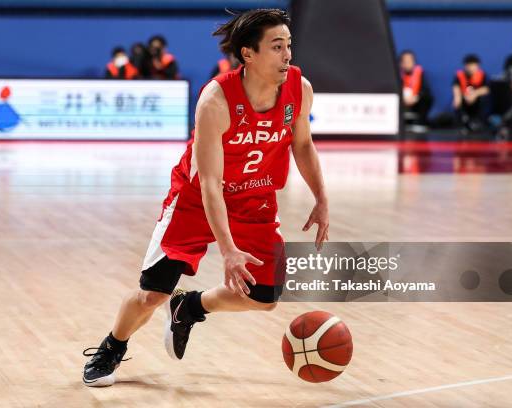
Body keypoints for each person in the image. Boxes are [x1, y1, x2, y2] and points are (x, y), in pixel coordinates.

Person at [82, 8, 329, 387]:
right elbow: (211, 183)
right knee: (152, 294)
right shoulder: (216, 99)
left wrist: (321, 198)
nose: (287, 56)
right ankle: (113, 345)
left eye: (289, 46)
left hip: (255, 199)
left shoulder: (300, 89)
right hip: (195, 200)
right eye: (277, 47)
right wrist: (228, 250)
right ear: (248, 54)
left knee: (264, 297)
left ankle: (191, 306)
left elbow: (303, 144)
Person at [452, 54, 490, 133]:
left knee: (485, 99)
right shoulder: (460, 75)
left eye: (473, 65)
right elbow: (456, 87)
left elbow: (486, 89)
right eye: (469, 65)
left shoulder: (482, 75)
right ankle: (463, 123)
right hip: (464, 98)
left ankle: (478, 122)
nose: (471, 68)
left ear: (478, 65)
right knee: (457, 102)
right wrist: (457, 97)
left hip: (477, 99)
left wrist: (474, 94)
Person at [399, 50, 433, 129]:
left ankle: (420, 123)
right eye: (405, 61)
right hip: (402, 101)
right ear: (401, 63)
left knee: (428, 97)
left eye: (410, 61)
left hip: (416, 101)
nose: (408, 63)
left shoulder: (420, 73)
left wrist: (416, 97)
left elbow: (425, 89)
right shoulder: (397, 74)